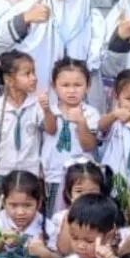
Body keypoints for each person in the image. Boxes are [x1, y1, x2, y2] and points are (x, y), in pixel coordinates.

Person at [39, 58, 100, 213]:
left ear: (88, 86)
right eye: (65, 85)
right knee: (55, 217)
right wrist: (46, 110)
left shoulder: (90, 113)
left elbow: (89, 145)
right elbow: (51, 130)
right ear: (54, 86)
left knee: (83, 214)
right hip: (54, 174)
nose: (71, 91)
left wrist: (81, 122)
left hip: (81, 179)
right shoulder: (51, 111)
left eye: (77, 85)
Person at [0, 51, 44, 208]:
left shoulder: (37, 105)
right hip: (2, 172)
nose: (34, 78)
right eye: (27, 74)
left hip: (30, 170)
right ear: (9, 80)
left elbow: (47, 136)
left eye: (34, 72)